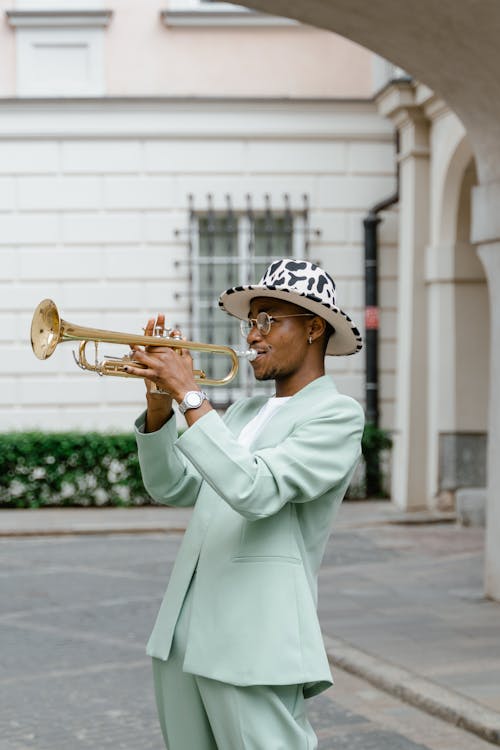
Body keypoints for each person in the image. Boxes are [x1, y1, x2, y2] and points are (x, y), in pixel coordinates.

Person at [127, 258, 365, 750]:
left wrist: (190, 395)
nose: (252, 335)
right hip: (183, 634)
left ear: (314, 328)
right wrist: (159, 405)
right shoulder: (244, 411)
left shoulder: (336, 416)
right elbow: (171, 487)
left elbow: (255, 491)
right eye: (250, 322)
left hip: (254, 636)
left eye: (268, 321)